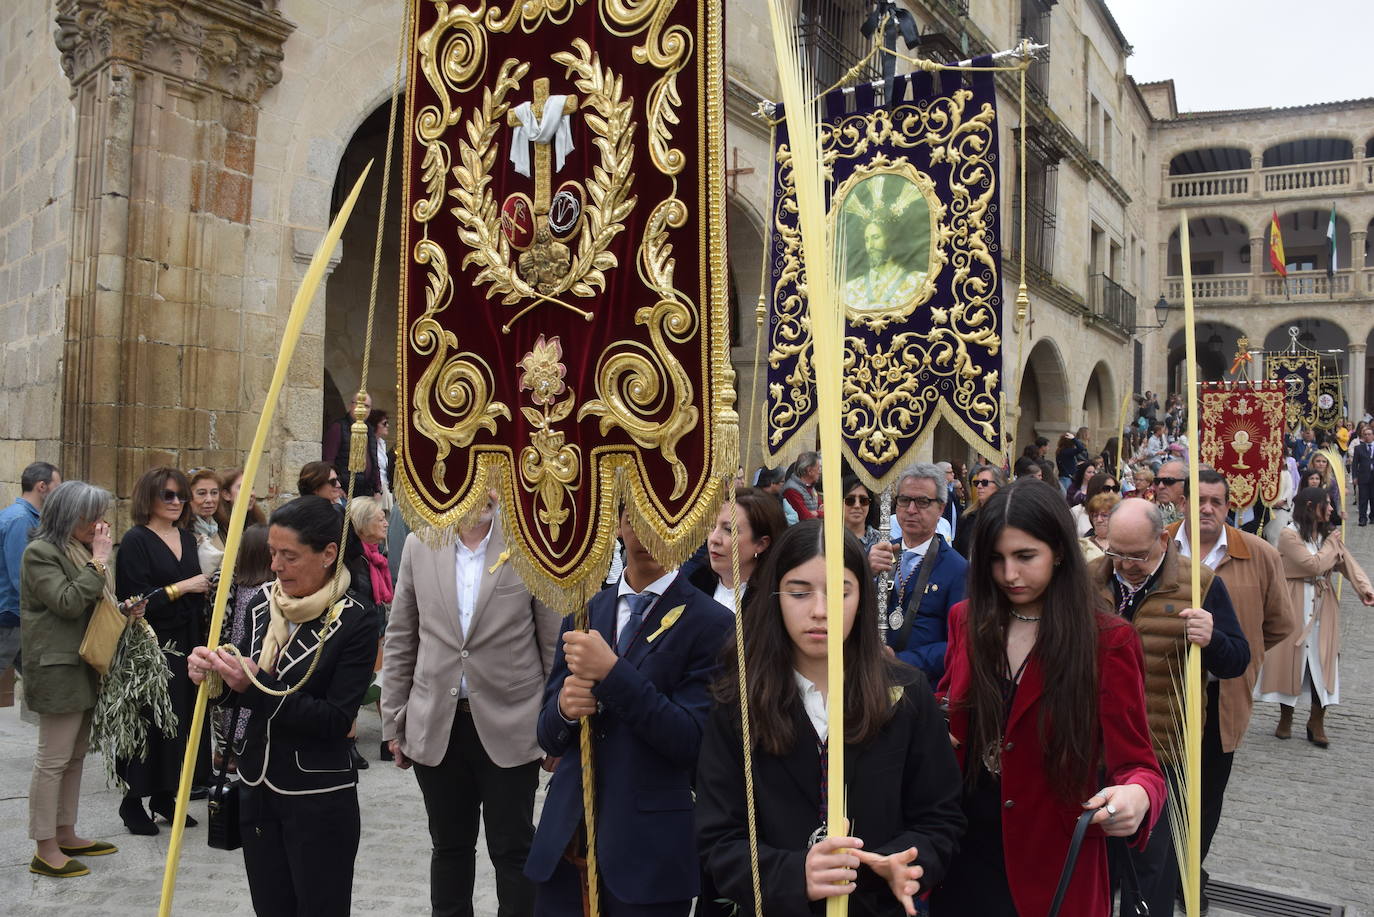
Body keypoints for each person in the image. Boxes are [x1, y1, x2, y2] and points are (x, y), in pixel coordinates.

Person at [695, 521, 965, 915]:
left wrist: (903, 861)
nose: (820, 611)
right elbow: (718, 838)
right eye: (799, 592)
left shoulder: (906, 693)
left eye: (840, 592)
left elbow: (941, 817)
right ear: (775, 596)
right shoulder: (740, 701)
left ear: (862, 597)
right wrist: (793, 875)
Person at [930, 479, 1163, 916]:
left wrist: (1137, 795)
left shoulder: (1107, 641)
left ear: (1057, 551)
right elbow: (949, 709)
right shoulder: (967, 620)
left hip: (1053, 863)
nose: (1009, 574)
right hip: (962, 856)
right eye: (996, 559)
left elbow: (1139, 764)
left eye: (1025, 557)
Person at [525, 506, 733, 916]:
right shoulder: (587, 609)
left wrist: (613, 673)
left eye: (663, 517)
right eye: (637, 518)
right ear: (619, 525)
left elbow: (692, 741)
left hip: (648, 855)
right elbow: (548, 736)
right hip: (568, 842)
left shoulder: (712, 623)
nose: (650, 532)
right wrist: (564, 709)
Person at [188, 496, 379, 917]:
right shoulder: (262, 604)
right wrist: (213, 676)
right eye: (272, 553)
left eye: (289, 556)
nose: (275, 566)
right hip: (256, 785)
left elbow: (336, 720)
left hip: (317, 794)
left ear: (328, 554)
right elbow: (238, 691)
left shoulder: (356, 619)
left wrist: (255, 684)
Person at [383, 489, 561, 917]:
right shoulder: (420, 544)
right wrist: (393, 722)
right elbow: (402, 636)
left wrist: (556, 727)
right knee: (449, 847)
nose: (484, 491)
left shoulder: (530, 545)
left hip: (512, 724)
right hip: (437, 724)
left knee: (513, 848)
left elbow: (552, 644)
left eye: (492, 479)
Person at [1089, 498, 1249, 916]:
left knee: (1151, 872)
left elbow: (1237, 661)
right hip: (1094, 750)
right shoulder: (1087, 580)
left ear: (1163, 539)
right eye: (1117, 553)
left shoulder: (1200, 584)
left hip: (1162, 754)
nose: (1126, 565)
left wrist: (1213, 639)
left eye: (1137, 555)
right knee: (1093, 866)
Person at [1170, 469, 1293, 910]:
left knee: (1205, 795)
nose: (1206, 509)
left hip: (1221, 696)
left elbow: (1278, 623)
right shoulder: (1159, 545)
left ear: (1229, 505)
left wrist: (1245, 657)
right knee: (1157, 786)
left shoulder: (1258, 554)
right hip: (1161, 690)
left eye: (1216, 502)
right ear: (1182, 502)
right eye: (1198, 500)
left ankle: (1190, 875)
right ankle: (1151, 870)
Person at [22, 480, 136, 877]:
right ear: (68, 516)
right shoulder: (41, 553)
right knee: (52, 760)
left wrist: (124, 610)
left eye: (101, 515)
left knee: (73, 757)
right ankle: (44, 847)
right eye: (91, 517)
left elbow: (93, 604)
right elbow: (68, 602)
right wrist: (100, 560)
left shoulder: (81, 551)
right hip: (57, 669)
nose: (99, 524)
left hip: (86, 664)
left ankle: (66, 833)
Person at [115, 466, 210, 835]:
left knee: (180, 719)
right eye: (167, 495)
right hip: (150, 643)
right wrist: (183, 587)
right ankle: (131, 801)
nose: (176, 501)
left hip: (187, 639)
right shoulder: (135, 540)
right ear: (148, 498)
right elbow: (133, 600)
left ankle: (165, 796)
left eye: (180, 495)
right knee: (149, 720)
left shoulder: (186, 538)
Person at [1257, 487, 1374, 748]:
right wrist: (1332, 545)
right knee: (1290, 659)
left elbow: (1346, 562)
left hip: (1323, 603)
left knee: (1324, 661)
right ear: (1311, 506)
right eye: (1327, 504)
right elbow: (1313, 565)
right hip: (1294, 600)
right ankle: (1285, 717)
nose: (1331, 509)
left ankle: (1316, 721)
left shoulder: (1326, 537)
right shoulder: (1289, 534)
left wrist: (1365, 588)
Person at [867, 464, 967, 686]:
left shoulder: (958, 569)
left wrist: (900, 661)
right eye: (904, 500)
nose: (911, 509)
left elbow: (959, 643)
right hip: (871, 681)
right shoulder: (879, 554)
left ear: (940, 508)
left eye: (922, 502)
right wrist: (864, 574)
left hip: (921, 686)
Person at [213, 523, 273, 774]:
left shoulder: (240, 585)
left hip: (237, 651)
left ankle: (228, 750)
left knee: (235, 714)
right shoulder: (266, 591)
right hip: (253, 653)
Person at [343, 495, 393, 768]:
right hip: (356, 633)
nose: (386, 522)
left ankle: (389, 739)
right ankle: (348, 743)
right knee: (352, 686)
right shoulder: (352, 559)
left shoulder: (377, 555)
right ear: (362, 524)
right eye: (379, 518)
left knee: (383, 682)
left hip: (377, 628)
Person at [1, 461, 61, 677]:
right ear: (41, 486)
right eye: (57, 487)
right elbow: (22, 576)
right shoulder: (21, 520)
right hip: (10, 616)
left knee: (42, 679)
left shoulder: (22, 517)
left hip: (14, 615)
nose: (59, 494)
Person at [690, 487, 787, 613]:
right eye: (712, 526)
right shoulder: (696, 581)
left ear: (761, 544)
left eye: (729, 530)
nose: (713, 538)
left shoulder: (774, 600)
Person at [322, 392, 381, 498]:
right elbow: (328, 461)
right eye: (359, 404)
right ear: (351, 406)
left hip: (366, 492)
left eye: (367, 406)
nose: (363, 409)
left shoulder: (370, 431)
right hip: (344, 491)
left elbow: (374, 462)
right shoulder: (338, 427)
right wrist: (336, 487)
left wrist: (378, 489)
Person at [952, 463, 1002, 559]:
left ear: (998, 485)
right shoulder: (967, 517)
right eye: (976, 483)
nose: (979, 486)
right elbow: (957, 550)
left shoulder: (1006, 517)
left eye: (984, 482)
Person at [189, 468, 225, 575]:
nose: (209, 499)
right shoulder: (181, 533)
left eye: (214, 493)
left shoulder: (223, 528)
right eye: (201, 493)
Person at [837, 475, 884, 555]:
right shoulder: (825, 539)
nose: (857, 505)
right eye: (850, 500)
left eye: (863, 500)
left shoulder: (882, 540)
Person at [781, 452, 823, 521]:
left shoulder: (810, 486)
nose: (820, 472)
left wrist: (817, 513)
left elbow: (825, 509)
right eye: (819, 468)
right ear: (809, 471)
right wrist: (820, 513)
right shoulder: (791, 490)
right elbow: (805, 517)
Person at [1079, 490, 1118, 561]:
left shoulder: (1124, 544)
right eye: (1095, 515)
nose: (1099, 520)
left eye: (1104, 515)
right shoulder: (1083, 544)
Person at [1304, 451, 1342, 524]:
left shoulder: (1332, 482)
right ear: (1313, 462)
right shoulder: (1306, 478)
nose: (1321, 464)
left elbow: (1334, 501)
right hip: (1309, 517)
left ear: (1327, 464)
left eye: (1324, 461)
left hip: (1327, 518)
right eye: (1318, 461)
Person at [368, 409, 393, 513]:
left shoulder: (382, 443)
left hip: (384, 486)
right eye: (384, 423)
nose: (387, 426)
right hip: (375, 488)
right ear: (375, 425)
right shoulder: (368, 443)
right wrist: (376, 489)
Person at [1350, 425, 1373, 524]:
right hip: (1363, 476)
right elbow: (1354, 464)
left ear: (1373, 435)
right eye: (1365, 434)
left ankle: (1372, 517)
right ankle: (1362, 519)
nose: (1367, 436)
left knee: (1373, 498)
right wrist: (1354, 477)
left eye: (1369, 434)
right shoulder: (1358, 448)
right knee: (1363, 498)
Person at [1153, 458, 1187, 524]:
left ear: (1186, 483)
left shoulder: (1198, 519)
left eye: (1168, 481)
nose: (1160, 486)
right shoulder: (1149, 517)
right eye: (1157, 481)